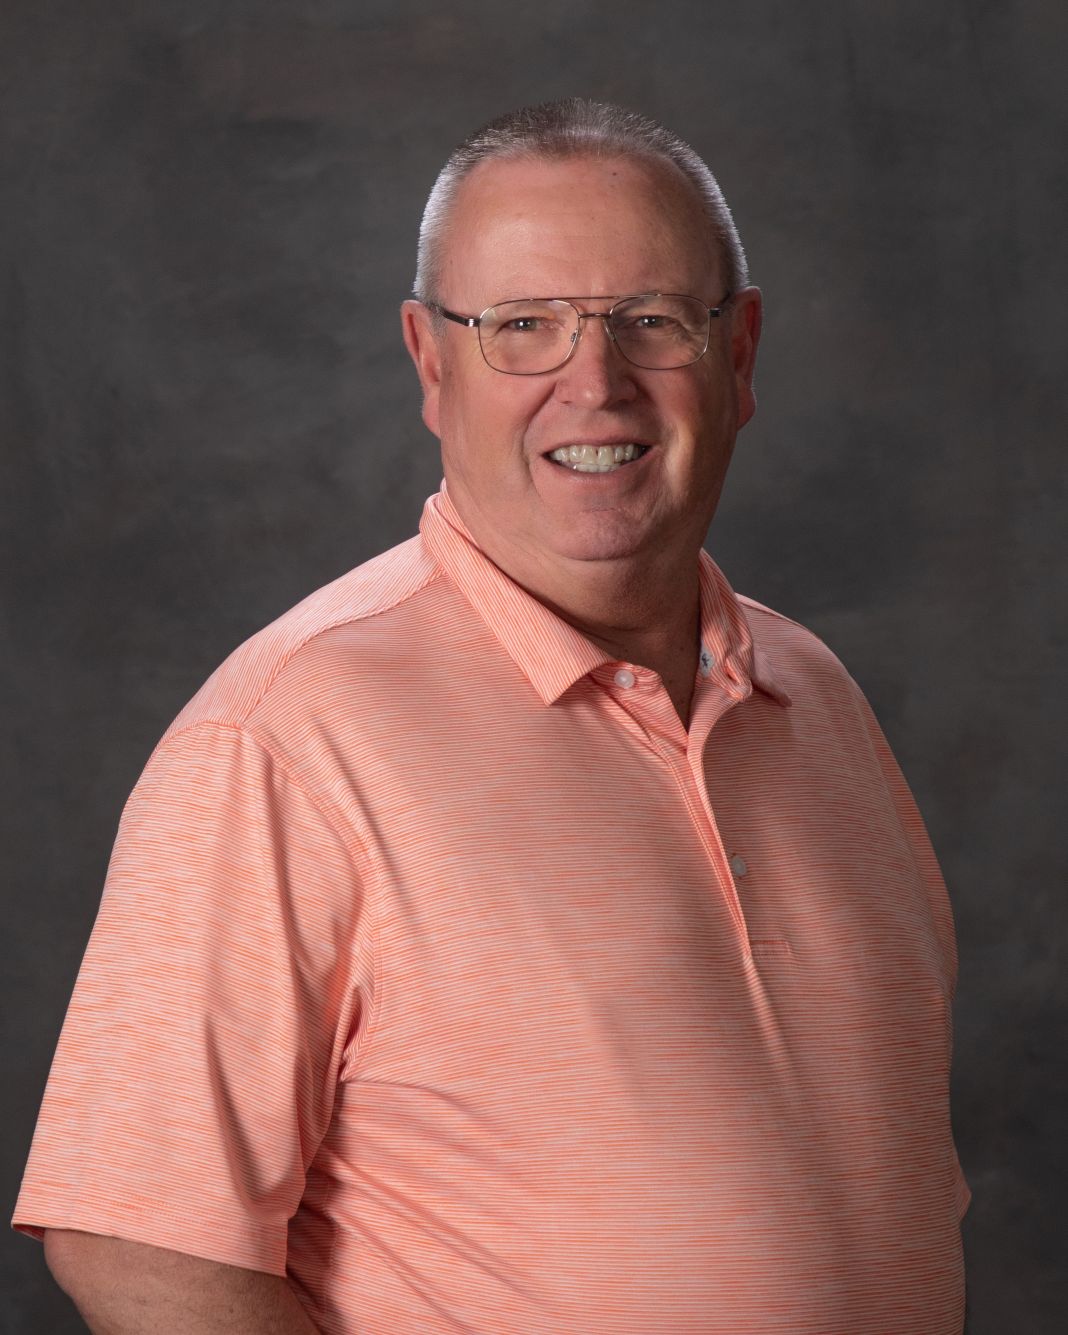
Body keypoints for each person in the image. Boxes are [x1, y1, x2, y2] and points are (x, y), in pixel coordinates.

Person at [14, 98, 970, 1334]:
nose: (596, 382)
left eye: (651, 321)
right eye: (524, 326)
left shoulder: (816, 701)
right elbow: (139, 1246)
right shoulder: (282, 737)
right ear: (429, 362)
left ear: (737, 359)